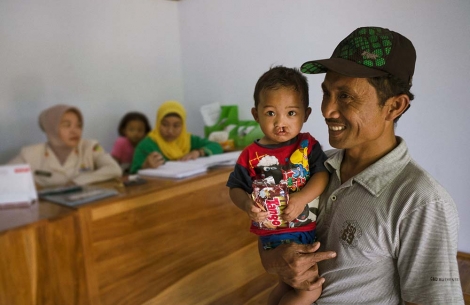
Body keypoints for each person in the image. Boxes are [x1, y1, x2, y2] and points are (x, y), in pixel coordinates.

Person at [259, 27, 464, 304]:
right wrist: (275, 260)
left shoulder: (423, 202)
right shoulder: (308, 167)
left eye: (345, 97)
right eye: (326, 93)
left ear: (394, 107)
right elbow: (271, 243)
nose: (327, 110)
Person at [227, 66, 329, 305]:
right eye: (271, 113)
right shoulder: (250, 155)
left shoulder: (307, 145)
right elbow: (235, 188)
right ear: (256, 114)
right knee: (309, 290)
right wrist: (246, 205)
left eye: (291, 113)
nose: (281, 122)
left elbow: (322, 176)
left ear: (306, 114)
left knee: (285, 285)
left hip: (303, 230)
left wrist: (302, 198)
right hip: (272, 235)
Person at [8, 104, 122, 187]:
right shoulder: (30, 154)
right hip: (49, 213)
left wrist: (77, 181)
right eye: (67, 125)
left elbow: (114, 169)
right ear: (51, 129)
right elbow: (4, 177)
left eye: (79, 125)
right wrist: (29, 187)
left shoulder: (90, 147)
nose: (75, 131)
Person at [130, 100, 223, 174]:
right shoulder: (146, 145)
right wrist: (145, 166)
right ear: (158, 123)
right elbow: (131, 176)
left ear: (183, 126)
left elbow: (217, 146)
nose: (170, 131)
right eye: (165, 125)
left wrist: (199, 152)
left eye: (176, 126)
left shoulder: (188, 140)